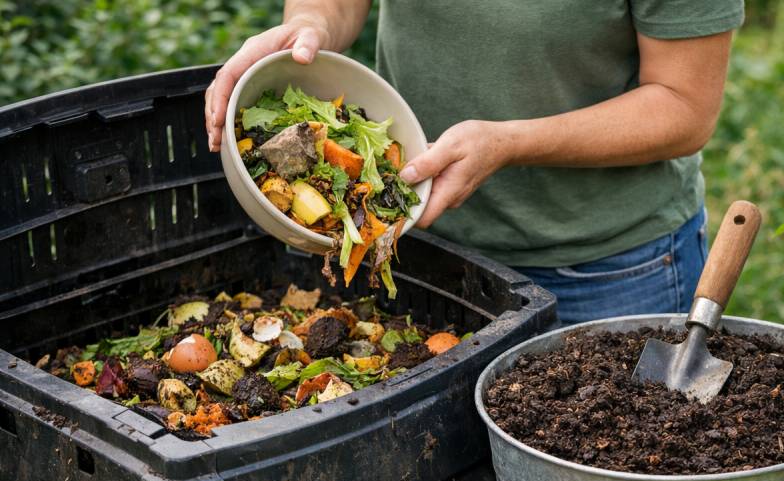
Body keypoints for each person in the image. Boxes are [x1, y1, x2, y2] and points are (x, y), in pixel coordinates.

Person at [206, 1, 744, 325]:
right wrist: (310, 24)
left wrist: (510, 142)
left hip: (601, 271)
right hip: (417, 250)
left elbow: (685, 107)